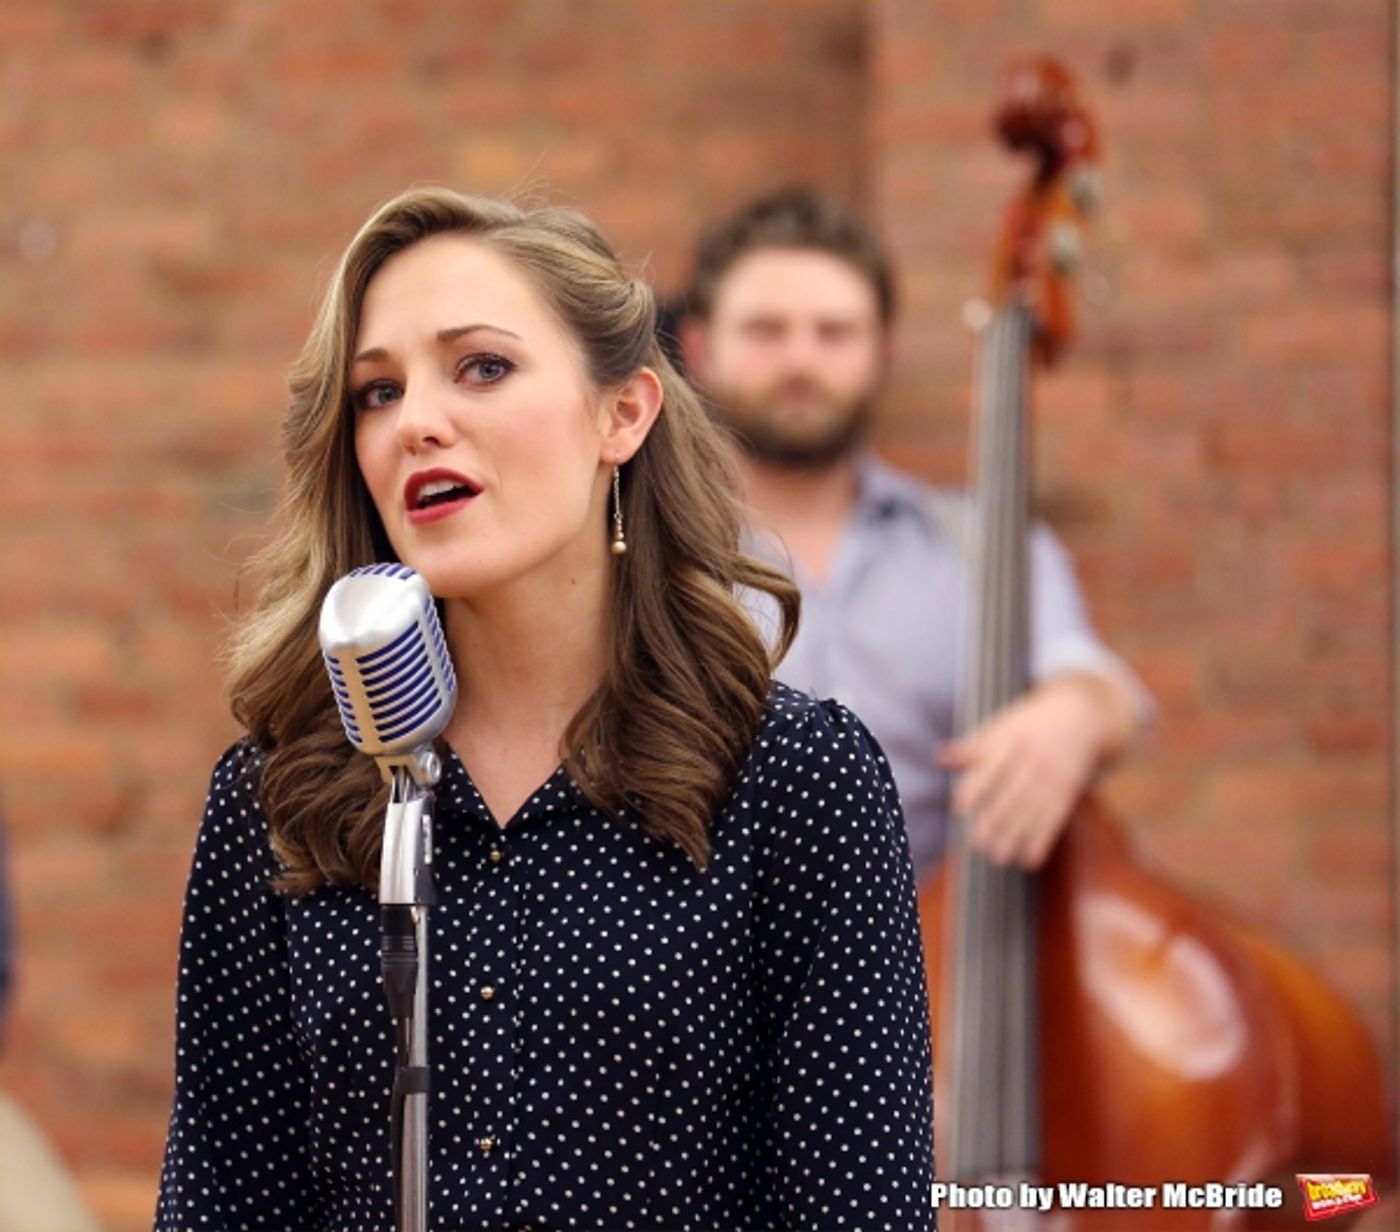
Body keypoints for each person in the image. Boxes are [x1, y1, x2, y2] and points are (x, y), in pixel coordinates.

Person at [154, 187, 935, 1231]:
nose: (417, 420)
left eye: (482, 366)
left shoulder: (794, 781)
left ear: (623, 414)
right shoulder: (278, 793)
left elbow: (860, 1207)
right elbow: (221, 1197)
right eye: (376, 392)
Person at [679, 188, 1151, 880]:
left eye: (835, 332)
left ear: (882, 353)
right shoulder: (639, 555)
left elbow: (1103, 686)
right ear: (699, 349)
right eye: (766, 331)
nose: (802, 361)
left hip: (949, 963)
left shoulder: (984, 545)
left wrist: (1075, 714)